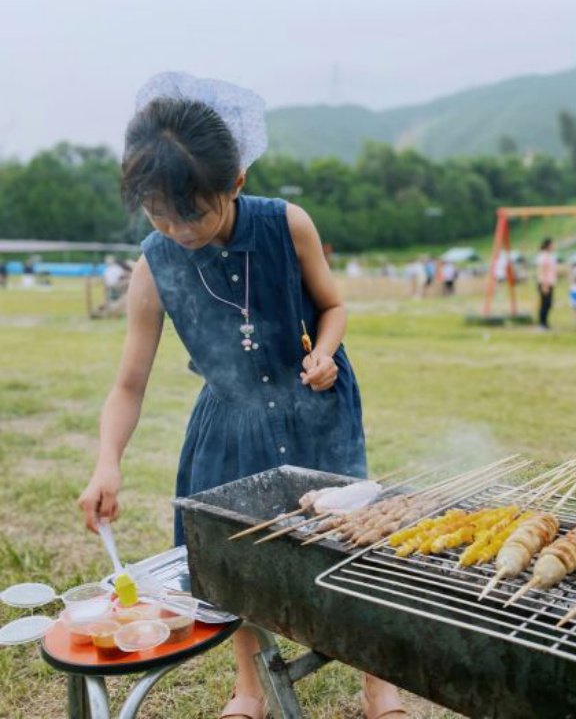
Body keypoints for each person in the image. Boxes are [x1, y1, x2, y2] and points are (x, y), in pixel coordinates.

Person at [75, 73, 406, 719]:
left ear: (235, 183)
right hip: (228, 426)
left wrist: (324, 354)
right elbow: (127, 384)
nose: (175, 228)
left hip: (315, 409)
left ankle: (379, 681)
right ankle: (249, 687)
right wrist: (107, 461)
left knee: (349, 543)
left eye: (191, 211)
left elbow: (334, 306)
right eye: (156, 212)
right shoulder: (153, 264)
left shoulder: (288, 225)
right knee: (232, 560)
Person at [536, 237, 558, 329]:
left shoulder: (549, 256)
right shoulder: (544, 256)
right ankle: (542, 323)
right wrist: (545, 284)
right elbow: (543, 270)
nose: (554, 246)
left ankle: (545, 322)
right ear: (548, 245)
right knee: (545, 303)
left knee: (548, 304)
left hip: (549, 282)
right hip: (545, 282)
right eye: (552, 244)